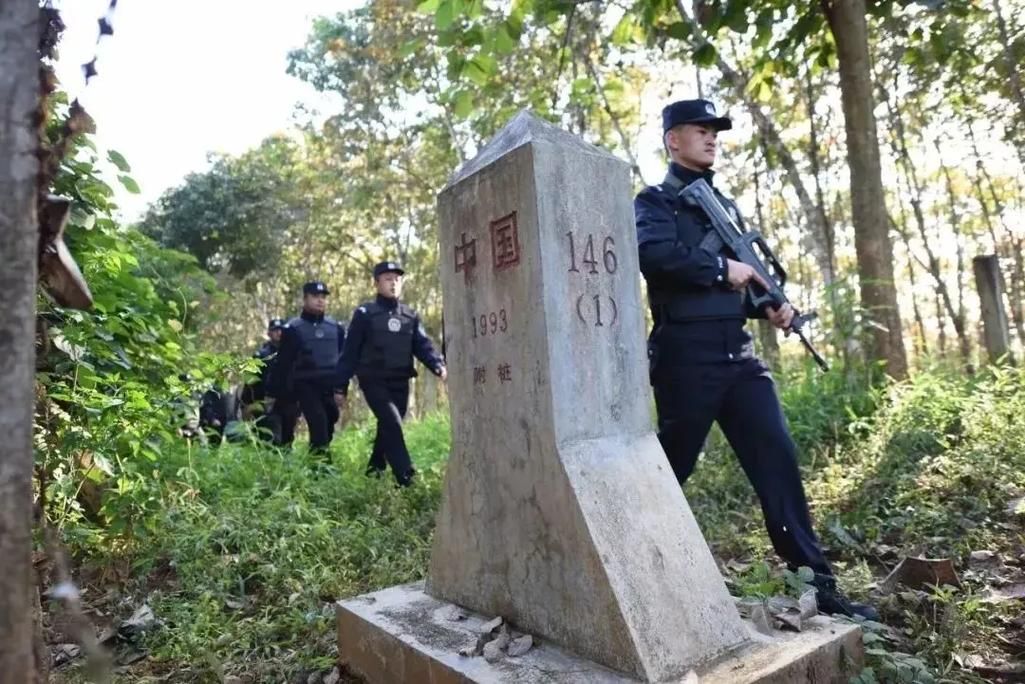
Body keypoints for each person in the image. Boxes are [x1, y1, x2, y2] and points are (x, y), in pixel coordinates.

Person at [634, 98, 878, 620]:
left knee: (777, 461)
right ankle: (628, 567)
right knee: (670, 467)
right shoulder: (656, 201)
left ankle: (819, 587)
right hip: (687, 355)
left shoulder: (723, 206)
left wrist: (768, 305)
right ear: (673, 139)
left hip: (739, 355)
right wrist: (724, 270)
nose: (711, 137)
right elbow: (652, 256)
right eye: (700, 129)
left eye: (715, 131)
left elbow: (743, 281)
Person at [336, 261, 446, 486]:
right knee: (393, 423)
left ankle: (374, 470)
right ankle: (407, 479)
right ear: (376, 283)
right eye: (387, 279)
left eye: (397, 279)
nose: (393, 283)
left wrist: (437, 365)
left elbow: (422, 345)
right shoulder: (365, 314)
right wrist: (340, 386)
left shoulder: (410, 315)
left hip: (400, 380)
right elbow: (350, 353)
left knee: (387, 427)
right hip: (373, 380)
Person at [269, 282, 346, 454]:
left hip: (329, 385)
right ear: (305, 299)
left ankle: (315, 457)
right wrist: (275, 393)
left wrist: (341, 389)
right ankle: (322, 464)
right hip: (305, 385)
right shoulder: (293, 329)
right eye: (315, 297)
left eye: (323, 297)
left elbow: (343, 360)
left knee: (329, 420)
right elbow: (283, 363)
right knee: (318, 422)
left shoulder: (336, 328)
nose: (320, 300)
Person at [240, 318, 288, 444]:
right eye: (275, 330)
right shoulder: (261, 355)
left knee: (286, 438)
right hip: (265, 402)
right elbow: (250, 381)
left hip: (287, 402)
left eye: (281, 330)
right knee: (269, 437)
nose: (279, 333)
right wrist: (247, 404)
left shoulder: (291, 353)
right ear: (269, 333)